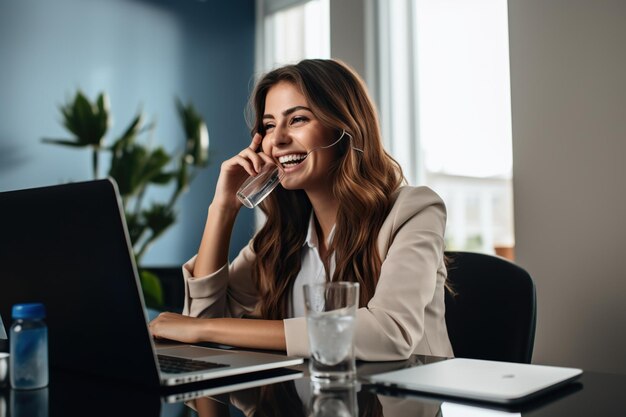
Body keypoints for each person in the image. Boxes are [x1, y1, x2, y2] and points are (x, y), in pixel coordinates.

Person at [148, 58, 453, 361]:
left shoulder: (414, 210)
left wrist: (208, 330)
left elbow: (389, 333)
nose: (278, 139)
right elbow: (200, 321)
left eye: (297, 120)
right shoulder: (281, 237)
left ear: (344, 127)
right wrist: (223, 208)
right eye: (269, 126)